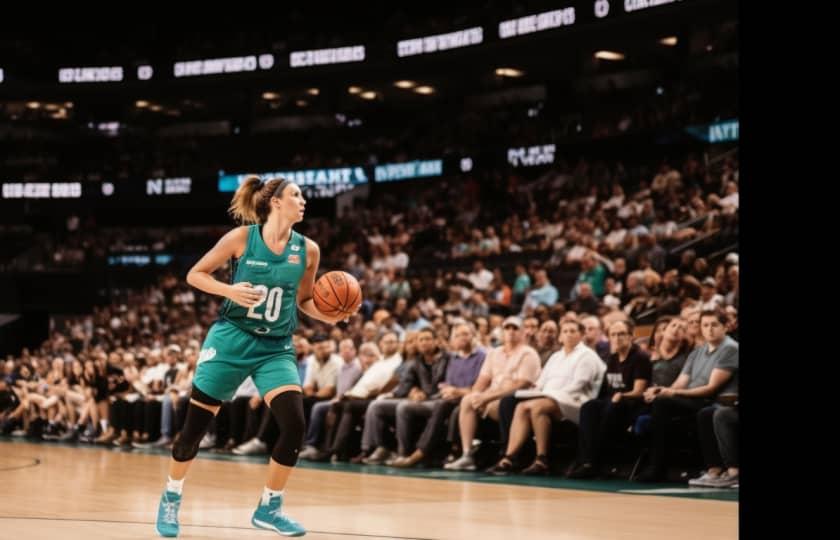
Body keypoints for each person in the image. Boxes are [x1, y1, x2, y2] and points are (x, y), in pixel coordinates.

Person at [154, 176, 350, 537]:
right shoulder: (242, 239)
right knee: (192, 432)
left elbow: (305, 301)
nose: (303, 200)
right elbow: (195, 275)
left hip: (275, 346)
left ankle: (269, 507)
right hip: (231, 340)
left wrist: (331, 316)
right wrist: (230, 290)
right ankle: (171, 496)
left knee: (294, 424)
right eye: (296, 194)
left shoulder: (308, 250)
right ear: (275, 202)